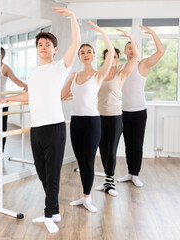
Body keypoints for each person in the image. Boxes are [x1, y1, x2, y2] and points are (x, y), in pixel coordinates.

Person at [0, 7, 81, 234]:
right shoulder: (34, 73)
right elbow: (29, 96)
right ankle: (54, 209)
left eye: (47, 44)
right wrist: (7, 100)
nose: (43, 47)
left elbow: (77, 42)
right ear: (37, 49)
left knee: (52, 173)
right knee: (42, 173)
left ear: (55, 49)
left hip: (54, 127)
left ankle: (50, 213)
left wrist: (72, 17)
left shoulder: (59, 67)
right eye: (40, 45)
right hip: (36, 128)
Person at [61, 21, 114, 212]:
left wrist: (101, 32)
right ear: (79, 56)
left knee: (89, 160)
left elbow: (109, 53)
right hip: (76, 122)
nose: (85, 55)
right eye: (82, 52)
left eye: (89, 52)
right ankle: (84, 196)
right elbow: (61, 95)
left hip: (93, 122)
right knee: (81, 161)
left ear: (93, 56)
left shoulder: (99, 75)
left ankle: (87, 197)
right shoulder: (74, 75)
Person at [117, 25, 165, 187]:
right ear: (124, 52)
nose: (130, 50)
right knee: (128, 145)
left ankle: (135, 174)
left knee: (137, 144)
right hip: (124, 112)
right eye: (128, 48)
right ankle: (130, 172)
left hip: (139, 112)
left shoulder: (143, 64)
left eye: (133, 47)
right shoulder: (120, 68)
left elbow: (161, 52)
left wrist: (152, 33)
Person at [95, 29, 139, 196]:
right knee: (103, 151)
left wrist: (130, 38)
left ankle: (110, 183)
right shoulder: (98, 75)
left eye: (114, 56)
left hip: (114, 117)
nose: (111, 59)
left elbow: (135, 57)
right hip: (98, 117)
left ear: (117, 59)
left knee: (111, 150)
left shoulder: (121, 75)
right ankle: (107, 180)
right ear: (105, 59)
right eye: (108, 56)